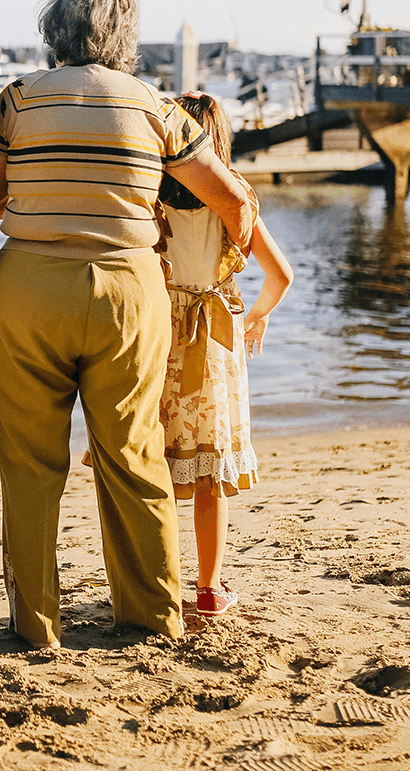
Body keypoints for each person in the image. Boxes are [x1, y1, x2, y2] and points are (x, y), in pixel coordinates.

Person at [0, 0, 254, 650]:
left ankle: (36, 622)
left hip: (27, 289)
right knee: (134, 456)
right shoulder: (158, 108)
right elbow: (233, 201)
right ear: (125, 37)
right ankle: (150, 614)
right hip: (129, 294)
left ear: (55, 31)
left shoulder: (15, 101)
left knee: (29, 463)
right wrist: (230, 263)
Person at [157, 92, 293, 617]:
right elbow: (280, 274)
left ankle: (161, 584)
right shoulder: (234, 199)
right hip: (215, 340)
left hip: (164, 336)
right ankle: (210, 589)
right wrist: (257, 316)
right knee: (212, 476)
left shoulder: (152, 199)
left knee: (161, 470)